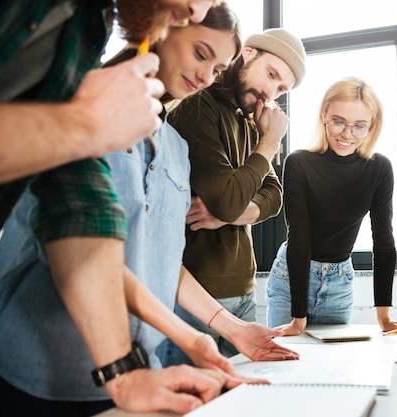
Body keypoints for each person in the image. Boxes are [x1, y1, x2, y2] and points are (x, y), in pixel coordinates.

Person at [0, 1, 241, 415]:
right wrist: (81, 124)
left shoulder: (87, 29)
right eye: (201, 53)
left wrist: (124, 371)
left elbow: (79, 210)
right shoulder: (87, 84)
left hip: (114, 369)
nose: (198, 10)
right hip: (30, 367)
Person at [158, 28, 307, 361]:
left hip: (245, 291)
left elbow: (274, 195)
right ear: (248, 53)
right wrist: (269, 144)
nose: (271, 92)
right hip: (197, 297)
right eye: (271, 75)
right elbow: (227, 198)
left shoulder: (248, 121)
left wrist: (232, 213)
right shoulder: (198, 106)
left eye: (281, 89)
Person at [266, 77, 397, 335]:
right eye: (338, 121)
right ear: (324, 115)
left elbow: (384, 242)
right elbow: (299, 236)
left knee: (331, 366)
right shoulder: (298, 163)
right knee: (286, 365)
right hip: (291, 277)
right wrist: (298, 319)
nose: (347, 134)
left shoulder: (380, 168)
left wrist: (384, 316)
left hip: (339, 283)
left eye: (359, 126)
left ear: (372, 127)